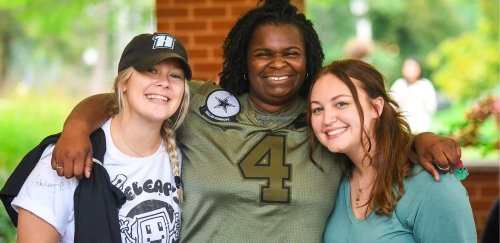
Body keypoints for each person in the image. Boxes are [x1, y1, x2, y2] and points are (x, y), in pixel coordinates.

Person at [51, 1, 461, 241]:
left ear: (308, 61)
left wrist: (421, 139)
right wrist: (74, 127)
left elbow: (369, 140)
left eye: (292, 53)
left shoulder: (320, 119)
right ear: (242, 63)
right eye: (263, 53)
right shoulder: (200, 103)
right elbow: (119, 100)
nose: (278, 63)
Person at [4, 32, 191, 242]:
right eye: (150, 70)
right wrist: (77, 126)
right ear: (123, 83)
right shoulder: (68, 158)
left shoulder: (186, 154)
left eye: (175, 76)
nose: (164, 82)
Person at [309, 59, 476, 242]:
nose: (326, 119)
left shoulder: (433, 186)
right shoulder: (335, 179)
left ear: (376, 107)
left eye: (341, 103)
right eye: (317, 109)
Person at [390, 57, 438, 133]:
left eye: (413, 67)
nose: (410, 70)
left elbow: (431, 107)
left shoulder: (425, 84)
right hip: (402, 129)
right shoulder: (399, 84)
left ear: (420, 69)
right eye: (407, 67)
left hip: (422, 128)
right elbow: (392, 106)